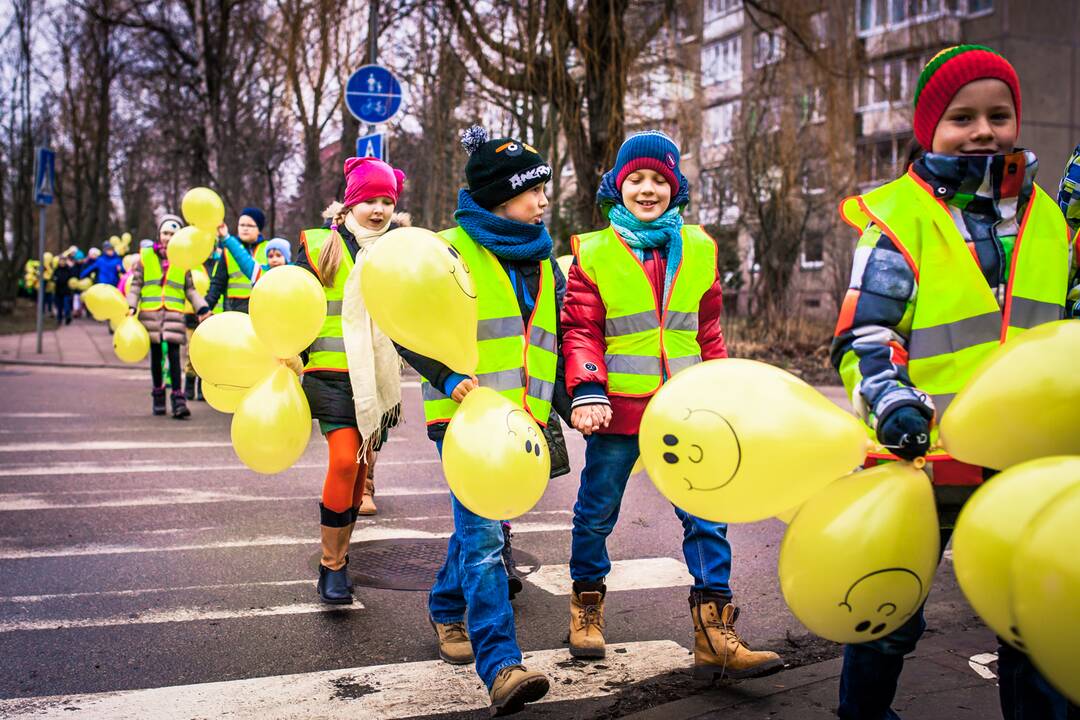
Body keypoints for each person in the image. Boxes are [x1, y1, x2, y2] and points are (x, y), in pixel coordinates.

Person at [831, 45, 1079, 720]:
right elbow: (865, 335)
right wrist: (892, 402)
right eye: (961, 117)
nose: (983, 130)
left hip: (1025, 462)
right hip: (920, 456)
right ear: (927, 130)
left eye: (999, 114)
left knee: (1033, 615)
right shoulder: (899, 220)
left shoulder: (1052, 221)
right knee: (888, 612)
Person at [560, 130, 782, 680]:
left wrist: (721, 389)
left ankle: (714, 629)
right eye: (636, 178)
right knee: (596, 513)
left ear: (675, 188)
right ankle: (586, 604)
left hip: (687, 411)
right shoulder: (594, 252)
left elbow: (708, 330)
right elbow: (580, 331)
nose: (647, 188)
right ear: (618, 185)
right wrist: (587, 389)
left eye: (659, 179)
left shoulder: (702, 249)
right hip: (616, 413)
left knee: (706, 514)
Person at [395, 126, 569, 716]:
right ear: (499, 197)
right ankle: (502, 666)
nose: (543, 200)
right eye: (532, 191)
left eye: (544, 189)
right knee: (486, 540)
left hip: (521, 421)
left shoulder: (545, 258)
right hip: (464, 421)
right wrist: (446, 378)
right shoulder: (449, 251)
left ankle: (446, 607)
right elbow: (405, 325)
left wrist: (576, 404)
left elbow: (550, 343)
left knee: (481, 529)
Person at [294, 157, 405, 605]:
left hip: (375, 382)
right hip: (328, 374)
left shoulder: (398, 248)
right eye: (369, 200)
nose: (378, 210)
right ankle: (331, 566)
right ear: (351, 202)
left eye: (387, 202)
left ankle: (341, 553)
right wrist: (287, 355)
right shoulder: (321, 243)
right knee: (344, 461)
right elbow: (293, 302)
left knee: (360, 470)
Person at [126, 214, 209, 419]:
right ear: (158, 234)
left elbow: (190, 289)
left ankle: (178, 400)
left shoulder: (184, 261)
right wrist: (131, 305)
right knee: (156, 358)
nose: (168, 237)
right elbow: (136, 284)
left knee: (174, 358)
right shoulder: (145, 258)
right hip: (151, 313)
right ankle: (158, 397)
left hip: (173, 313)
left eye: (173, 234)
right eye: (165, 233)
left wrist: (202, 308)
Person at [199, 207, 269, 316]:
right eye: (241, 225)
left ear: (259, 228)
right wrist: (206, 307)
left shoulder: (269, 249)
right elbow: (217, 283)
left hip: (262, 308)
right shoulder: (228, 251)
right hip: (234, 309)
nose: (245, 229)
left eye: (250, 225)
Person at [52, 255, 77, 326]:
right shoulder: (56, 270)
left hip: (66, 291)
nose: (62, 262)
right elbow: (53, 278)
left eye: (63, 261)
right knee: (59, 307)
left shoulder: (69, 270)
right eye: (61, 261)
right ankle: (59, 319)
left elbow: (72, 279)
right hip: (58, 291)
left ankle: (67, 317)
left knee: (66, 306)